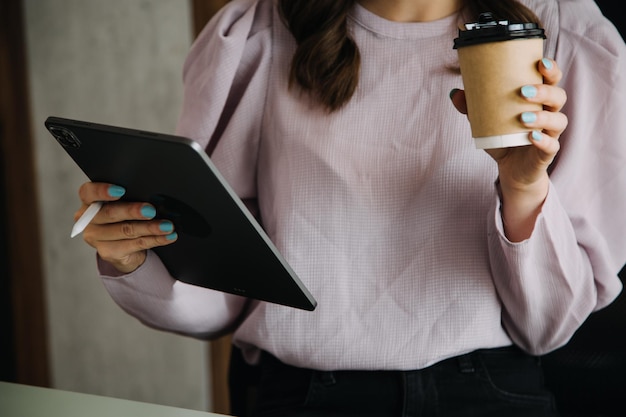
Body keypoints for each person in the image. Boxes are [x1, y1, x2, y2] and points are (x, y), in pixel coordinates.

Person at [74, 0, 626, 415]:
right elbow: (229, 285)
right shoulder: (258, 32)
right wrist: (137, 257)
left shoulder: (567, 35)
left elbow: (549, 326)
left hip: (487, 395)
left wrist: (524, 187)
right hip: (294, 395)